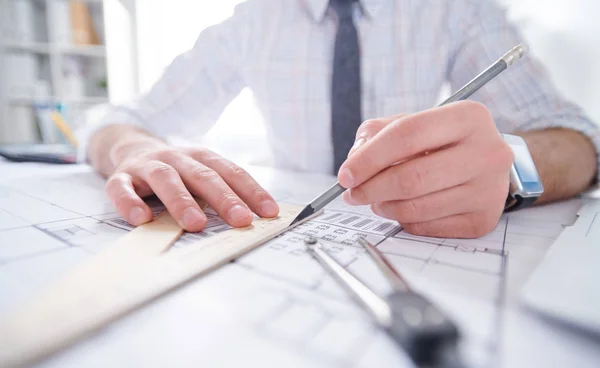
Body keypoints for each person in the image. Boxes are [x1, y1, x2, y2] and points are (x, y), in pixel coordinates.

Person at [81, 0, 599, 238]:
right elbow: (121, 117)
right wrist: (132, 149)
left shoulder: (456, 10)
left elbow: (580, 141)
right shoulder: (252, 21)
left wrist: (512, 171)